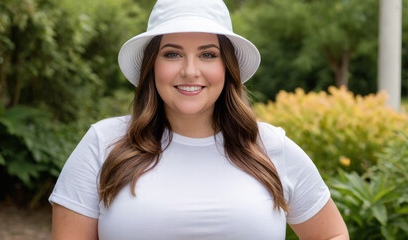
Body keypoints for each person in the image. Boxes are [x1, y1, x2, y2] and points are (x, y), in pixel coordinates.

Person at [49, 0, 349, 239]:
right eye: (172, 54)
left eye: (207, 55)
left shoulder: (272, 148)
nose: (191, 71)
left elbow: (332, 234)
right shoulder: (103, 143)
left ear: (227, 67)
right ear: (151, 67)